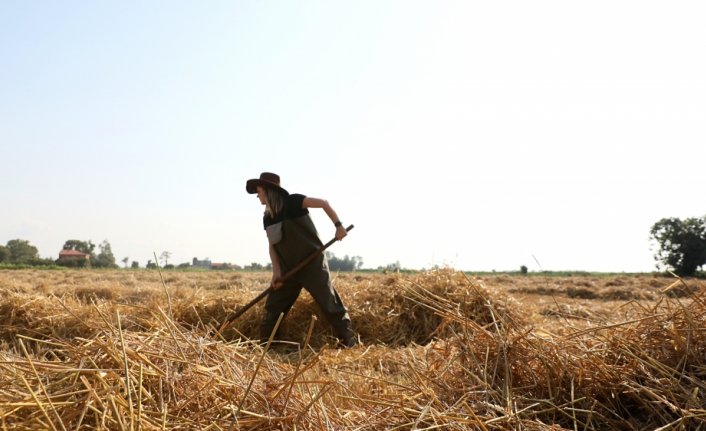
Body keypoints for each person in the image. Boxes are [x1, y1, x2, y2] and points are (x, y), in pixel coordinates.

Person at [246, 172, 357, 348]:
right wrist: (277, 272)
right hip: (288, 269)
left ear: (268, 190)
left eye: (258, 191)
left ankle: (349, 343)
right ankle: (268, 346)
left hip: (312, 263)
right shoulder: (267, 217)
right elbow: (272, 245)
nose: (257, 196)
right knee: (273, 307)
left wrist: (338, 225)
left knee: (329, 304)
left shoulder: (294, 202)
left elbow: (323, 204)